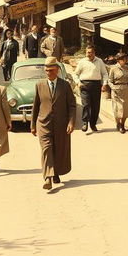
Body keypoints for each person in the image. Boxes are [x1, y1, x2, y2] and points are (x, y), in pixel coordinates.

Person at [31, 56, 76, 190]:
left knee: (58, 149)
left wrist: (71, 122)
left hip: (61, 125)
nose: (48, 73)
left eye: (51, 70)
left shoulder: (65, 85)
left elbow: (72, 105)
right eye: (46, 70)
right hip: (44, 124)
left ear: (57, 70)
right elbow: (36, 106)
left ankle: (55, 172)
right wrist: (33, 125)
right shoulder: (39, 85)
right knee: (46, 149)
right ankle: (48, 178)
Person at [73, 45, 108, 132]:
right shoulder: (82, 62)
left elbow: (104, 74)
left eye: (90, 52)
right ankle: (85, 123)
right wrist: (78, 82)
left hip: (96, 85)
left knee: (95, 106)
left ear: (94, 52)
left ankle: (93, 124)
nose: (89, 54)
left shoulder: (99, 61)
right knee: (86, 105)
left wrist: (104, 84)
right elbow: (75, 74)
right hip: (84, 85)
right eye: (87, 52)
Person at [108, 52, 128, 133]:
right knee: (117, 108)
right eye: (124, 59)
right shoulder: (113, 68)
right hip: (116, 89)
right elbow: (110, 80)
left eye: (126, 59)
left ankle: (122, 124)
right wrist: (113, 87)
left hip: (125, 89)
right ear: (119, 60)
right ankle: (118, 123)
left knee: (125, 108)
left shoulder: (127, 68)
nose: (125, 61)